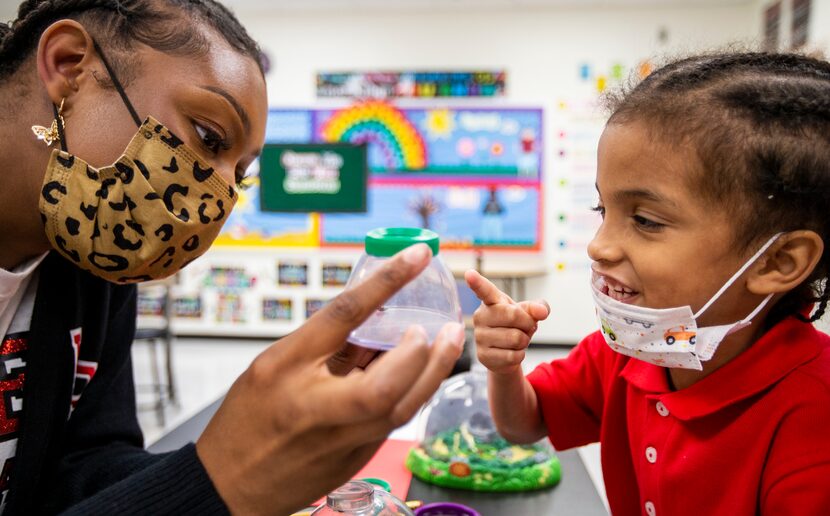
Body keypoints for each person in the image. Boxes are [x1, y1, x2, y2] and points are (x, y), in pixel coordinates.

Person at [0, 1, 464, 514]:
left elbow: (83, 469)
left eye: (239, 176)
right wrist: (218, 478)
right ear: (69, 66)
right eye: (208, 137)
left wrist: (260, 461)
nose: (220, 194)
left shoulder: (95, 268)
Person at [466, 52, 830, 515]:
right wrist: (504, 367)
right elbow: (526, 423)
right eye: (604, 211)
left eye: (645, 220)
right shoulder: (630, 349)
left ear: (778, 261)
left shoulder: (815, 415)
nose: (599, 246)